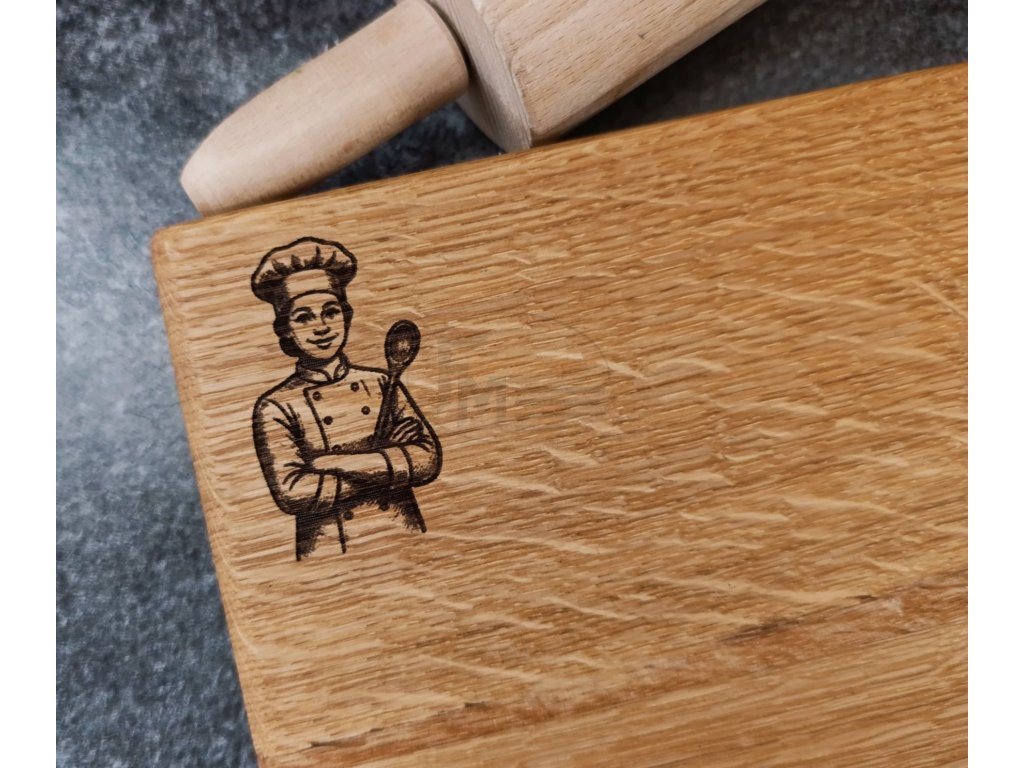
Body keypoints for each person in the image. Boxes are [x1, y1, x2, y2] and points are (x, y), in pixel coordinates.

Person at [250, 236, 441, 559]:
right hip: (329, 550)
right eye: (304, 317)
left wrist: (331, 463)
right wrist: (387, 464)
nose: (322, 327)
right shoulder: (275, 406)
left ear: (346, 317)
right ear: (286, 331)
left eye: (331, 312)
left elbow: (428, 460)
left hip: (403, 533)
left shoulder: (382, 381)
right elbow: (293, 492)